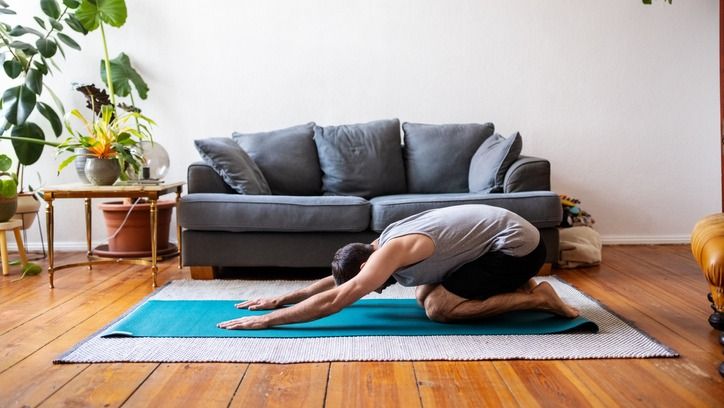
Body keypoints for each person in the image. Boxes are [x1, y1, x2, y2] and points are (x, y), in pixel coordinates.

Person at [218, 204, 579, 330]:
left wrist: (269, 322)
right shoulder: (380, 245)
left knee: (439, 308)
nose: (374, 288)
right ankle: (516, 288)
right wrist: (283, 298)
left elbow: (337, 299)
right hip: (500, 241)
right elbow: (337, 282)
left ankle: (539, 299)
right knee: (423, 293)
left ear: (366, 263)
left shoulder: (391, 252)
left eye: (368, 279)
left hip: (519, 250)